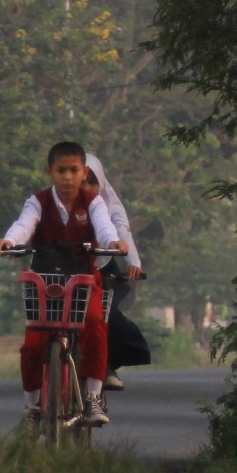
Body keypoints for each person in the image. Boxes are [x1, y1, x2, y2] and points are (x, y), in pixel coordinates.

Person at [0, 140, 127, 430]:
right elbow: (24, 224)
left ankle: (92, 397)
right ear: (49, 171)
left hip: (83, 279)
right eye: (61, 170)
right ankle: (32, 406)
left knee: (94, 324)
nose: (67, 177)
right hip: (45, 279)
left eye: (73, 170)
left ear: (83, 172)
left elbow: (104, 226)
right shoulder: (38, 201)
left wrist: (113, 242)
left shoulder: (93, 201)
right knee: (33, 343)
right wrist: (9, 241)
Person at [84, 153, 151, 390]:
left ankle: (106, 364)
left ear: (100, 183)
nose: (83, 189)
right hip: (65, 268)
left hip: (101, 266)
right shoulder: (53, 201)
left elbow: (119, 230)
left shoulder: (107, 205)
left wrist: (132, 260)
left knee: (105, 316)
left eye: (90, 183)